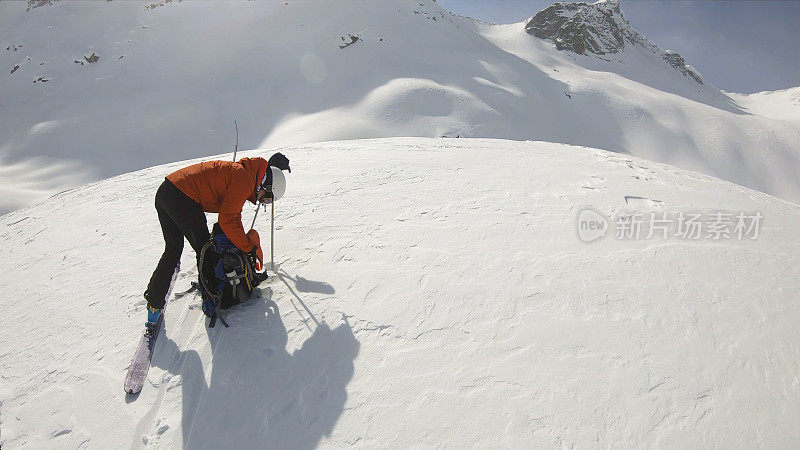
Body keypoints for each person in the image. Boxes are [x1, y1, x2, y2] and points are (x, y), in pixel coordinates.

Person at [143, 152, 291, 329]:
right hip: (182, 196)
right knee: (205, 250)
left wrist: (244, 243)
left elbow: (233, 216)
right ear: (266, 186)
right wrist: (248, 247)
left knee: (173, 249)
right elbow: (227, 220)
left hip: (167, 191)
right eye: (266, 199)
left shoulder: (244, 175)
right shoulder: (244, 179)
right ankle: (211, 300)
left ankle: (154, 303)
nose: (262, 203)